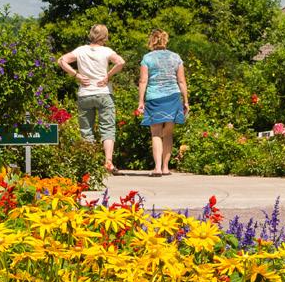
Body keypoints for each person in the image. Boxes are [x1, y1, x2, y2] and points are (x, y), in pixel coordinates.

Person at [57, 24, 125, 173]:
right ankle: (108, 162)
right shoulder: (107, 51)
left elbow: (61, 60)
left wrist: (76, 75)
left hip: (85, 93)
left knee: (86, 130)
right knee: (107, 128)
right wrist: (108, 76)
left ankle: (90, 162)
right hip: (103, 93)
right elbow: (121, 62)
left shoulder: (80, 50)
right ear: (105, 37)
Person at [135, 29, 189, 176]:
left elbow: (143, 80)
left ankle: (157, 168)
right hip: (173, 96)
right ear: (165, 40)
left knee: (156, 133)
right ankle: (166, 168)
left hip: (155, 98)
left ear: (152, 40)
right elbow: (181, 81)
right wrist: (186, 100)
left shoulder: (147, 58)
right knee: (169, 134)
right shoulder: (176, 57)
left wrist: (141, 101)